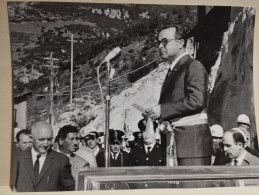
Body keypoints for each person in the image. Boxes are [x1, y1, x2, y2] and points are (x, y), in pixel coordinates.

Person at [145, 26, 212, 166]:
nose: (159, 46)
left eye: (164, 42)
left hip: (192, 146)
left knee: (192, 187)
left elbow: (196, 100)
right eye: (158, 42)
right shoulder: (175, 70)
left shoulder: (193, 66)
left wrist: (162, 110)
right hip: (177, 144)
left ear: (181, 43)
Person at [14, 121, 75, 192]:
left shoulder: (61, 160)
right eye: (41, 139)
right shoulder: (18, 158)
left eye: (49, 139)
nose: (46, 144)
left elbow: (71, 188)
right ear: (31, 138)